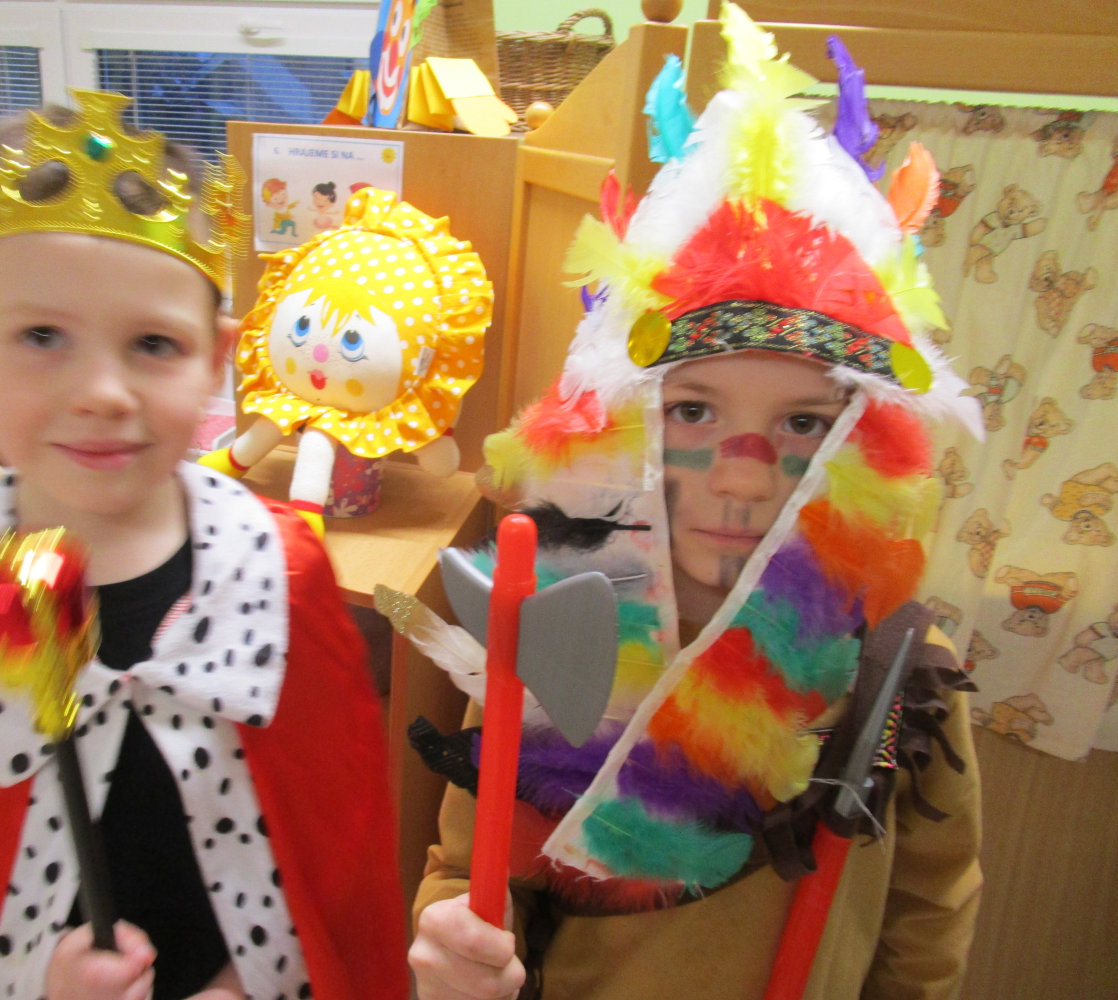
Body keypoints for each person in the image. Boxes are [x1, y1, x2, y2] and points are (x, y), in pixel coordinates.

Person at [401, 9, 984, 1000]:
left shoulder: (898, 666)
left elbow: (927, 914)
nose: (743, 475)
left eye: (803, 422)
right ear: (627, 422)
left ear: (861, 443)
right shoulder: (554, 621)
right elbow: (469, 873)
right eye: (694, 410)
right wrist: (454, 957)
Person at [0, 90, 407, 1000]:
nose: (101, 391)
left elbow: (340, 853)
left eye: (151, 344)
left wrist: (245, 984)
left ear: (214, 357)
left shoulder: (282, 580)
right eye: (42, 336)